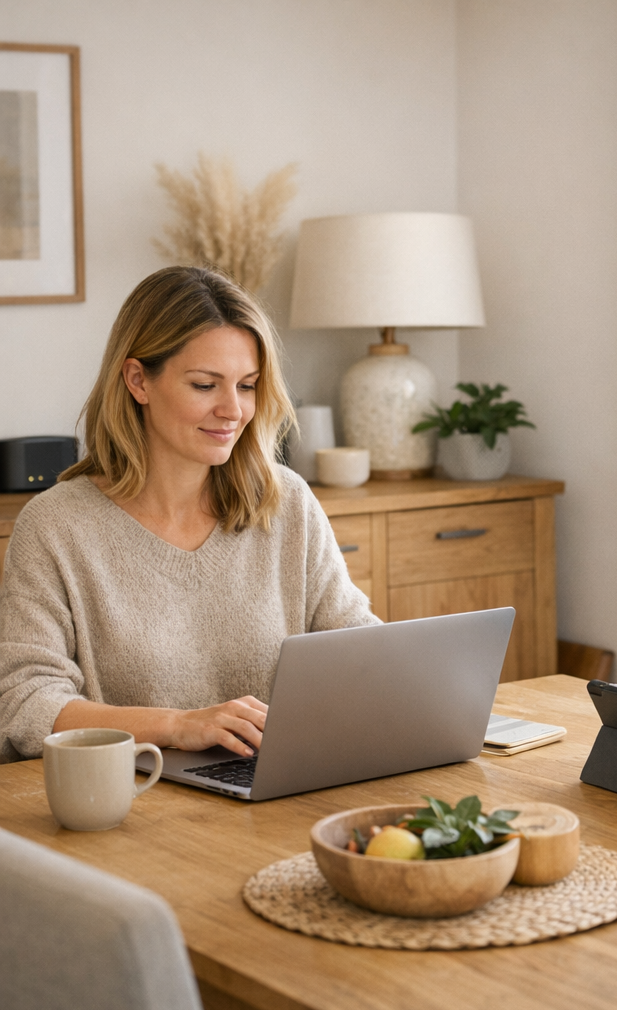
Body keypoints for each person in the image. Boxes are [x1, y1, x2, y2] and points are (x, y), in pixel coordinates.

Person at [0, 266, 379, 764]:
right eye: (205, 385)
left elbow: (362, 652)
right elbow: (25, 704)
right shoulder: (56, 527)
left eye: (247, 386)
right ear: (138, 380)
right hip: (138, 805)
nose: (233, 410)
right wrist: (177, 726)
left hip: (276, 786)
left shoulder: (285, 503)